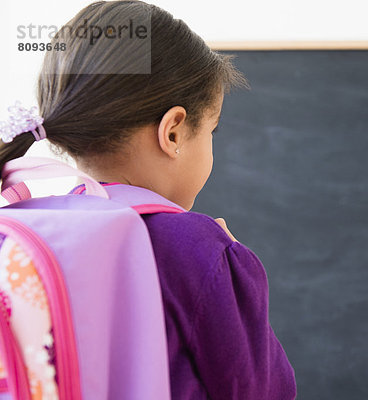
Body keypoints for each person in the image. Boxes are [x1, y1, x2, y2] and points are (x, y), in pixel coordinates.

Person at [0, 1, 297, 399]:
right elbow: (264, 391)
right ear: (173, 131)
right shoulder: (197, 246)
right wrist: (239, 267)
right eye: (212, 130)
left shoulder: (26, 224)